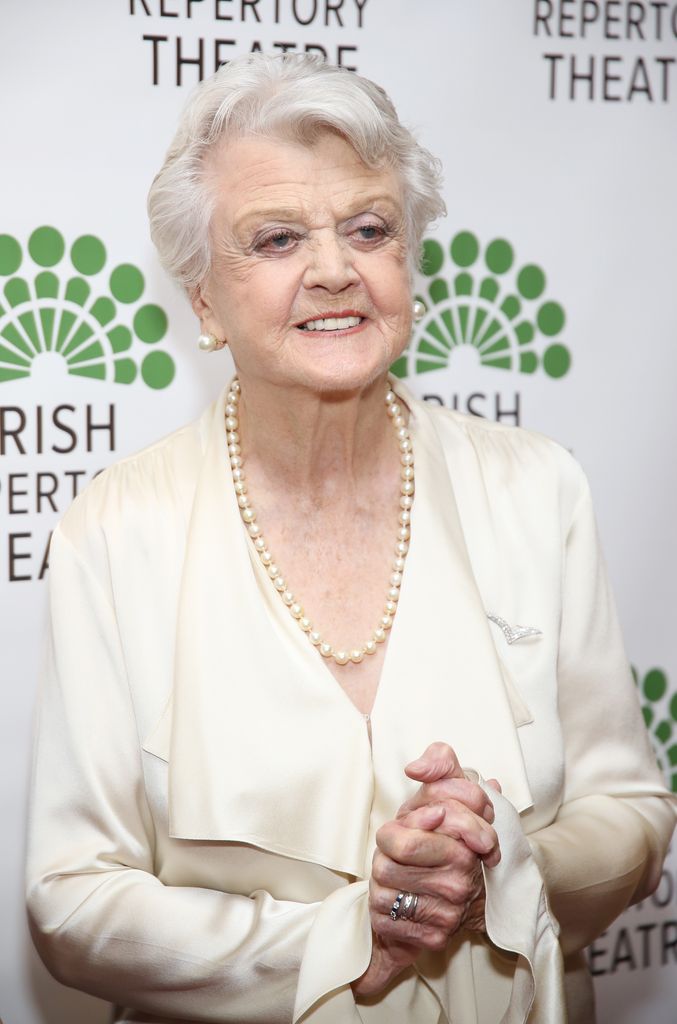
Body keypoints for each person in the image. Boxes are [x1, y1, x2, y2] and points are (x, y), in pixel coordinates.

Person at [26, 53, 675, 1024]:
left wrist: (506, 857)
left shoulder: (538, 488)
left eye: (368, 229)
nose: (334, 269)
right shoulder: (114, 532)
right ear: (203, 301)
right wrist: (341, 939)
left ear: (406, 262)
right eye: (276, 237)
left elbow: (631, 814)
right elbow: (71, 899)